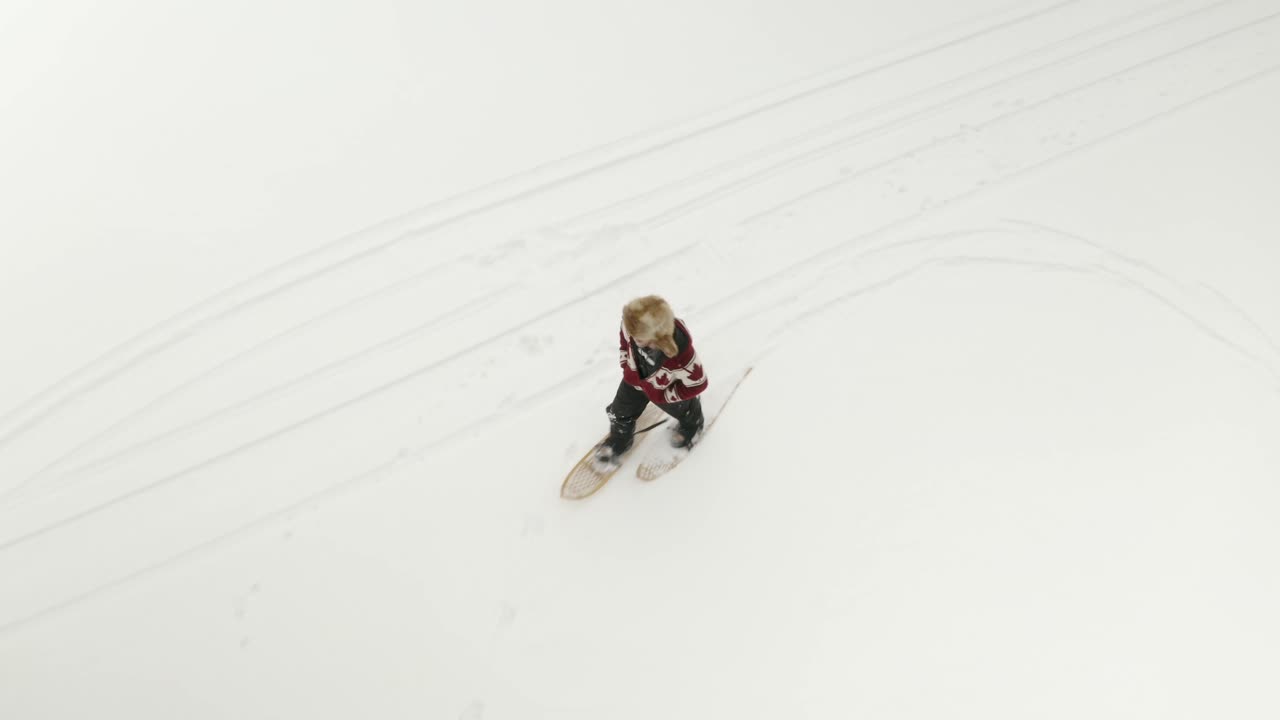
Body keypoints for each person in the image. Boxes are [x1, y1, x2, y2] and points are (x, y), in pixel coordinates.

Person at [594, 295, 708, 468]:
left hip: (663, 390)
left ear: (657, 336)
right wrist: (625, 360)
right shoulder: (632, 327)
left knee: (683, 410)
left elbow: (699, 383)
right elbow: (625, 339)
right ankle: (620, 439)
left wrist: (670, 395)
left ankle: (693, 422)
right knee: (619, 413)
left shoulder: (680, 356)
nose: (632, 338)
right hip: (633, 382)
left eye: (638, 338)